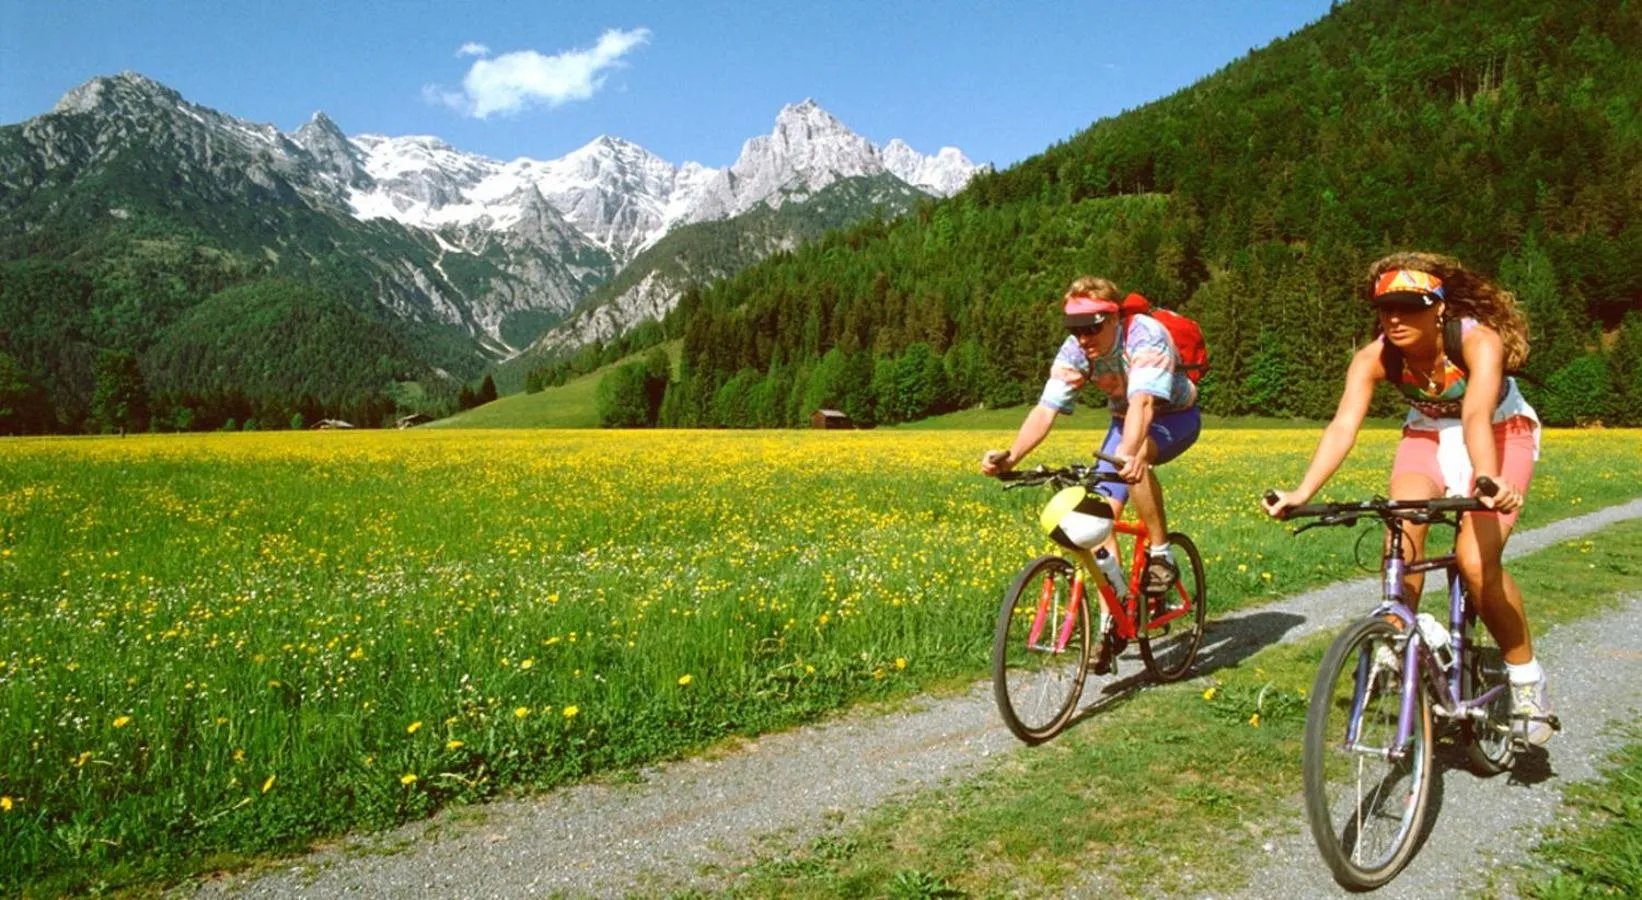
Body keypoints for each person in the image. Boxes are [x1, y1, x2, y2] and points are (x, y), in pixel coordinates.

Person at [1262, 251, 1554, 745]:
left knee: (1476, 563)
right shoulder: (1374, 357)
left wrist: (1486, 480)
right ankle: (1401, 636)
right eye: (1384, 308)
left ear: (1438, 307)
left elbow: (1477, 416)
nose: (1395, 318)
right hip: (1426, 434)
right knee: (1402, 524)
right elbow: (1343, 426)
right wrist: (1302, 491)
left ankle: (1525, 677)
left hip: (1502, 433)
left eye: (1409, 306)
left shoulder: (1478, 341)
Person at [981, 275, 1201, 595]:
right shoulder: (1076, 350)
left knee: (1135, 459)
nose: (1083, 338)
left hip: (1174, 416)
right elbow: (1045, 409)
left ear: (1113, 318)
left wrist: (1128, 452)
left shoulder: (1145, 335)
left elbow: (1144, 401)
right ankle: (1114, 613)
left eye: (1091, 327)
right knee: (1097, 517)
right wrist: (1012, 455)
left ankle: (1161, 554)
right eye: (1075, 328)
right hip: (1125, 419)